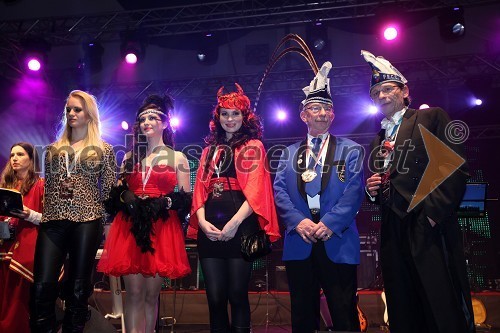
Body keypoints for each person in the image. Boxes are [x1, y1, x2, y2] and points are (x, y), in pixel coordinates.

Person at [361, 50, 474, 333]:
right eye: (376, 93)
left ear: (404, 90)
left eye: (388, 89)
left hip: (426, 223)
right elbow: (386, 179)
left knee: (439, 299)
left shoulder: (430, 117)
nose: (383, 96)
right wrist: (372, 190)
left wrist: (432, 216)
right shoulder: (378, 137)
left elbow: (453, 166)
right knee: (402, 301)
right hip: (392, 227)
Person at [273, 62, 364, 333]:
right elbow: (279, 191)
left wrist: (330, 223)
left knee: (343, 312)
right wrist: (298, 222)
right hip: (299, 239)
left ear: (333, 115)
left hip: (336, 238)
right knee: (302, 315)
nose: (322, 113)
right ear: (304, 115)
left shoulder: (352, 149)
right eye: (315, 108)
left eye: (327, 109)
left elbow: (354, 192)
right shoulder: (287, 153)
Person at [187, 83, 280, 333]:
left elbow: (258, 190)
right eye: (225, 113)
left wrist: (234, 223)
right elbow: (198, 192)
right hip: (210, 229)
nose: (229, 119)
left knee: (237, 295)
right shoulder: (208, 151)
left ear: (245, 117)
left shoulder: (254, 146)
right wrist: (203, 222)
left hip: (240, 227)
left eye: (235, 113)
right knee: (215, 299)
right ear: (217, 117)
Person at [97, 93, 192, 333]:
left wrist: (165, 202)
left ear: (165, 123)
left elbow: (185, 199)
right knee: (134, 294)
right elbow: (115, 194)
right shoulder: (129, 158)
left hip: (161, 229)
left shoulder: (178, 157)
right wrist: (123, 196)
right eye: (142, 119)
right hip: (130, 228)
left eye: (152, 117)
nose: (146, 122)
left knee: (151, 295)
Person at [30, 90, 116, 333]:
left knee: (78, 287)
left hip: (87, 221)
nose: (71, 113)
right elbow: (51, 188)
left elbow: (109, 192)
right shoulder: (52, 149)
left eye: (77, 109)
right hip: (53, 221)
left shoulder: (104, 149)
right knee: (42, 285)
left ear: (89, 114)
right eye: (68, 109)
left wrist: (109, 228)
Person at [0, 142, 44, 332]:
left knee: (20, 300)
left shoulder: (42, 186)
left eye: (20, 154)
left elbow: (51, 220)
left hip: (28, 249)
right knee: (4, 297)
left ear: (31, 159)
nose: (15, 159)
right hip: (4, 247)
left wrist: (29, 214)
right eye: (12, 155)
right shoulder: (4, 186)